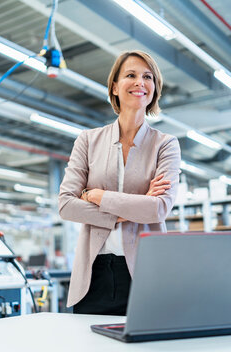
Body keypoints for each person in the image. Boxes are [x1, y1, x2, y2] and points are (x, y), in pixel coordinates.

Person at [58, 50, 181, 315]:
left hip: (145, 272)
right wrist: (134, 208)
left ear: (154, 88)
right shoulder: (88, 141)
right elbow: (66, 205)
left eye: (147, 77)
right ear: (115, 86)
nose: (140, 82)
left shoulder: (166, 145)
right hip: (93, 275)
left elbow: (158, 209)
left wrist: (96, 195)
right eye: (131, 75)